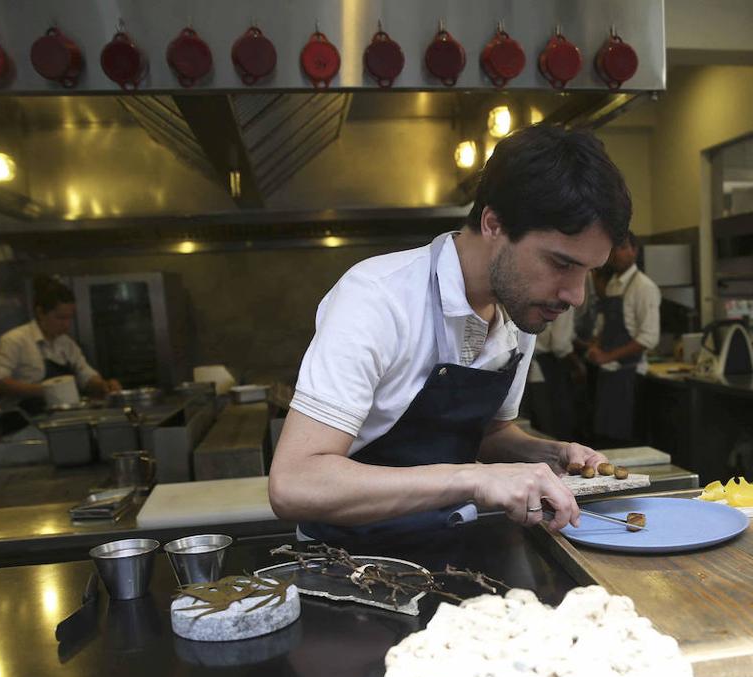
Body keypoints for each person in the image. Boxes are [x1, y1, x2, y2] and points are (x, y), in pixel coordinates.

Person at [269, 124, 632, 539]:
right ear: (494, 224)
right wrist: (474, 480)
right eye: (561, 264)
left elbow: (489, 434)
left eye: (589, 271)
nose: (576, 295)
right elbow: (294, 483)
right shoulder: (377, 298)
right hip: (347, 561)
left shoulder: (519, 308)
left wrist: (548, 455)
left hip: (450, 543)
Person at [0, 277, 121, 413]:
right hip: (23, 424)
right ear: (40, 312)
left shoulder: (66, 343)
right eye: (61, 318)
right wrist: (47, 391)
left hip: (62, 420)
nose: (66, 325)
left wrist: (103, 385)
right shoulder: (14, 340)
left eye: (69, 318)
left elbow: (85, 375)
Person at [585, 231, 662, 445]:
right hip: (607, 376)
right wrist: (595, 344)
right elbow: (605, 325)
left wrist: (608, 356)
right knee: (604, 440)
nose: (614, 255)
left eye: (620, 248)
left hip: (630, 376)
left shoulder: (644, 287)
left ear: (634, 251)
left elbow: (648, 338)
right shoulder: (612, 284)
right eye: (611, 250)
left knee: (626, 442)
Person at [525, 305, 578, 442]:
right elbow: (559, 345)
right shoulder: (565, 300)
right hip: (548, 366)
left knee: (532, 424)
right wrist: (578, 364)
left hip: (527, 364)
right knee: (552, 424)